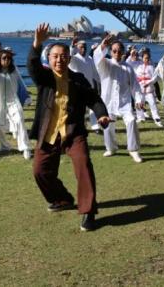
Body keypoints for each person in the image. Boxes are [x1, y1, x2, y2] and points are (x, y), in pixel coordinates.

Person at [28, 23, 110, 232]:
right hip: (49, 132)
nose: (59, 60)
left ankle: (88, 211)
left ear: (69, 58)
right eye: (55, 56)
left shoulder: (78, 79)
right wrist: (37, 44)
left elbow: (94, 99)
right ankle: (62, 198)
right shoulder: (45, 77)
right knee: (40, 171)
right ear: (49, 59)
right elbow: (32, 66)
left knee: (83, 166)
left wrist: (101, 114)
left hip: (73, 132)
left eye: (63, 56)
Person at [93, 35, 143, 162]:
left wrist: (138, 99)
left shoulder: (128, 68)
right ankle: (111, 148)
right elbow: (97, 58)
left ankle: (133, 150)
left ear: (123, 52)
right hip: (108, 101)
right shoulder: (106, 64)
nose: (117, 53)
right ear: (111, 52)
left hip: (124, 102)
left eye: (119, 51)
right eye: (114, 51)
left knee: (131, 120)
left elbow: (135, 86)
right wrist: (103, 46)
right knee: (108, 125)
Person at [69, 38, 102, 131]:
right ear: (77, 48)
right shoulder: (74, 58)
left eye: (85, 47)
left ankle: (95, 127)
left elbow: (95, 73)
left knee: (93, 107)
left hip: (89, 87)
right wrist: (72, 46)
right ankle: (80, 126)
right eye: (81, 47)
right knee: (79, 109)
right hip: (77, 88)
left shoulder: (90, 59)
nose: (83, 49)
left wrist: (100, 82)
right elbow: (70, 55)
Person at [129, 50, 163, 127]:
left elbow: (155, 78)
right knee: (138, 103)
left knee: (153, 104)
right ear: (142, 58)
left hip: (149, 90)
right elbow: (135, 76)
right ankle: (140, 117)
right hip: (140, 89)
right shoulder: (138, 66)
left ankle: (157, 119)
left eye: (148, 58)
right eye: (145, 58)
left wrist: (148, 83)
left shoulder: (151, 67)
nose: (146, 59)